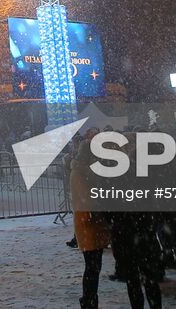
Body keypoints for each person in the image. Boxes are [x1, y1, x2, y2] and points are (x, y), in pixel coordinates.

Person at [69, 131, 111, 309]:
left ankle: (90, 298)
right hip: (88, 221)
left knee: (95, 265)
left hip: (93, 221)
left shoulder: (87, 171)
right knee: (92, 266)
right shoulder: (80, 172)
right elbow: (87, 198)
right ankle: (89, 299)